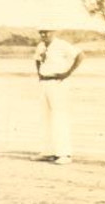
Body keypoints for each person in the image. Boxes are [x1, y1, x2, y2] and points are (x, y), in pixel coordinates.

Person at [34, 27, 83, 165]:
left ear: (53, 32)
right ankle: (48, 152)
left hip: (58, 83)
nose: (43, 34)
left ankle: (64, 153)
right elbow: (37, 59)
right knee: (45, 117)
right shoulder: (41, 46)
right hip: (44, 83)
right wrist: (39, 73)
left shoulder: (61, 45)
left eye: (46, 32)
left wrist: (68, 73)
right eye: (41, 32)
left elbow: (80, 55)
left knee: (59, 117)